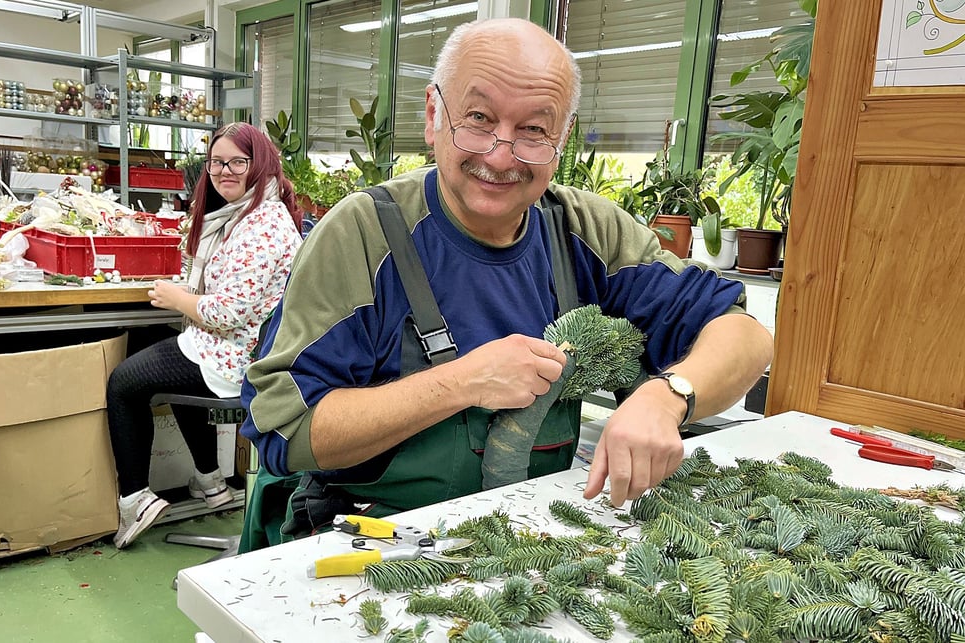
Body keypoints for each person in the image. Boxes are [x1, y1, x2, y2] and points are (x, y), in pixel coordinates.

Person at [241, 18, 773, 541]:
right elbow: (288, 429)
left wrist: (668, 396)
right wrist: (462, 383)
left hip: (533, 545)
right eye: (478, 118)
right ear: (433, 115)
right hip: (373, 540)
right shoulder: (364, 233)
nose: (501, 155)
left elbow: (744, 335)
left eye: (534, 130)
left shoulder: (585, 231)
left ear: (562, 140)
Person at [106, 122, 303, 549]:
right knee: (162, 362)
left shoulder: (263, 228)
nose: (224, 170)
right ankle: (211, 482)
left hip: (239, 355)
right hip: (232, 346)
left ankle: (134, 499)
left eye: (237, 161)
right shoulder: (245, 215)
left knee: (124, 382)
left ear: (260, 165)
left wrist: (177, 298)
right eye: (216, 162)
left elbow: (227, 312)